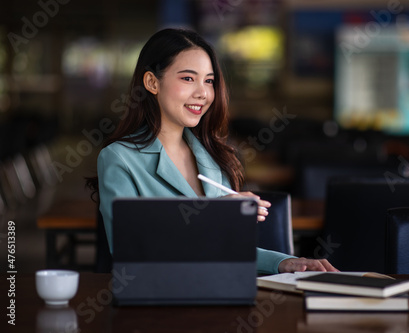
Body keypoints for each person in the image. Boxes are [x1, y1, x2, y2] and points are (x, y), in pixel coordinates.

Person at [87, 28, 338, 274]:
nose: (203, 93)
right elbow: (129, 248)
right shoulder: (119, 158)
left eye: (209, 81)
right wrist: (211, 214)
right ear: (152, 82)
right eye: (188, 78)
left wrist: (283, 263)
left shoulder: (216, 157)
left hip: (221, 295)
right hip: (158, 302)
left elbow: (225, 249)